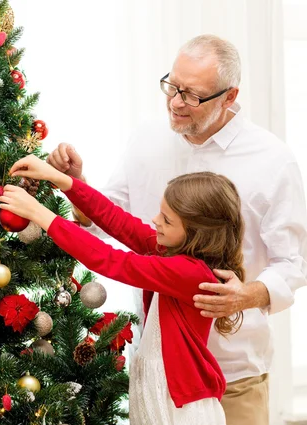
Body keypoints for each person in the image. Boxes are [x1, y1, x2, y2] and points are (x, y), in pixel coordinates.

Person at [47, 34, 307, 425]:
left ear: (230, 96)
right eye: (172, 86)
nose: (175, 102)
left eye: (192, 95)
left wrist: (244, 296)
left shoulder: (272, 160)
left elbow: (293, 263)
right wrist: (77, 187)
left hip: (233, 373)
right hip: (156, 371)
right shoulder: (147, 138)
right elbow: (114, 220)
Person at [0, 154, 245, 425]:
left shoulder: (189, 272)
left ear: (196, 232)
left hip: (181, 410)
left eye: (166, 219)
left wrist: (38, 213)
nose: (155, 220)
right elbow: (119, 222)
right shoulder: (175, 253)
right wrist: (61, 179)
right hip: (158, 397)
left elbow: (110, 260)